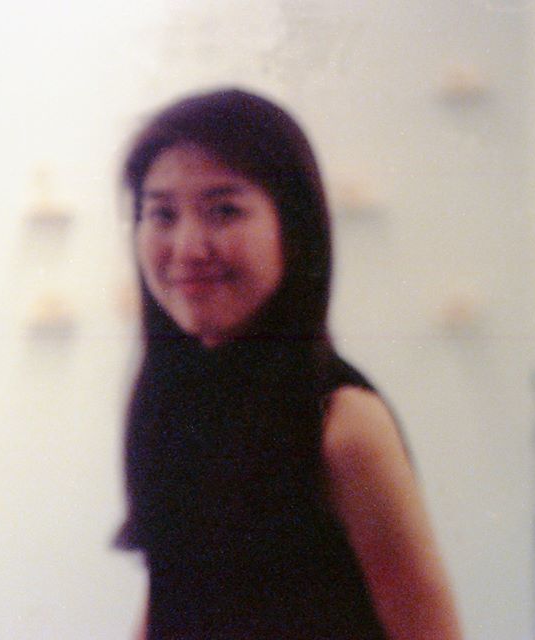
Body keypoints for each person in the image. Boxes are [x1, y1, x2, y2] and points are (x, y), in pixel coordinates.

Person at [115, 88, 463, 640]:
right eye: (162, 214)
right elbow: (172, 597)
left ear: (293, 230)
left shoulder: (344, 424)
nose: (187, 248)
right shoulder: (171, 400)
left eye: (224, 211)